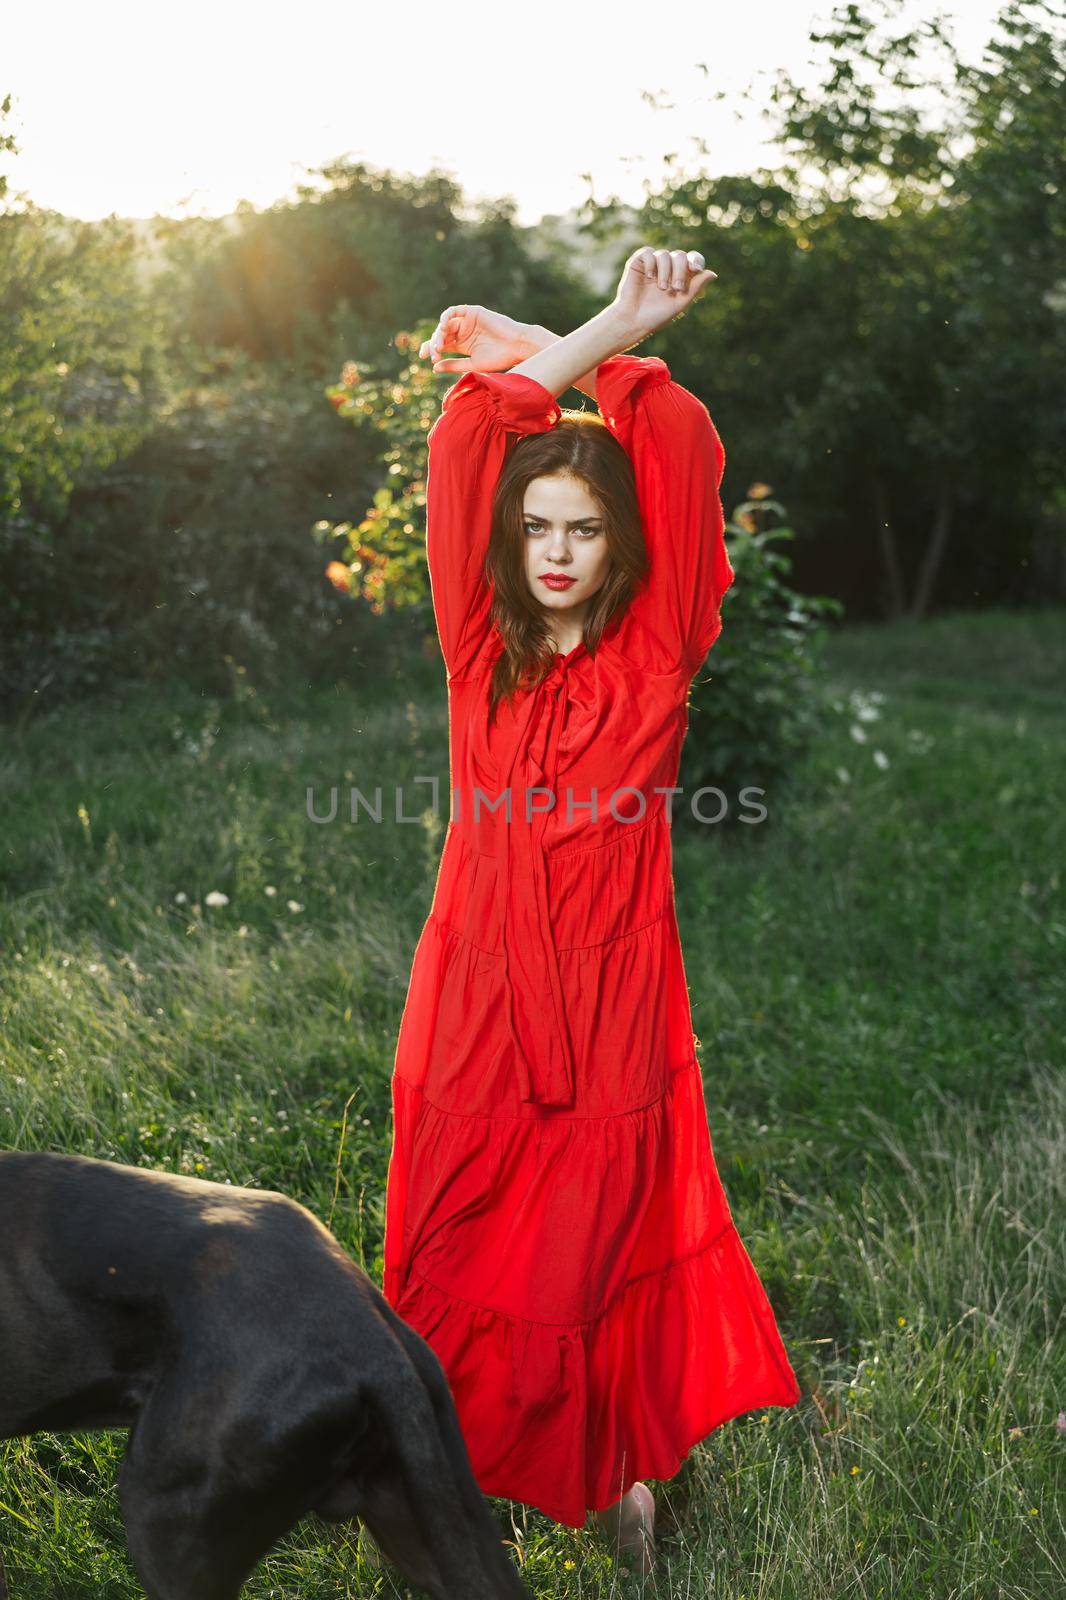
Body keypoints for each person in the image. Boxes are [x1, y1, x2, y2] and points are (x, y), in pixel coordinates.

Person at [381, 246, 801, 1575]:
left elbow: (672, 433)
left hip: (613, 997)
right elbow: (466, 435)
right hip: (477, 992)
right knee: (455, 1225)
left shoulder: (658, 647)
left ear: (622, 541)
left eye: (584, 528)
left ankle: (608, 1467)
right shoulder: (473, 648)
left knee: (586, 1241)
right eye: (536, 529)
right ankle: (442, 1461)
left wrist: (607, 345)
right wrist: (542, 347)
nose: (556, 553)